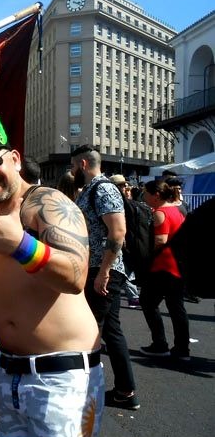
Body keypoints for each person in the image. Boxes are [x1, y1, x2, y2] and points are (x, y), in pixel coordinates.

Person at [0, 124, 103, 437]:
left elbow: (76, 276)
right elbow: (0, 293)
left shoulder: (47, 203)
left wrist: (21, 245)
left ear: (14, 158)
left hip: (60, 378)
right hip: (7, 375)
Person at [71, 145, 139, 411]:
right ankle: (125, 390)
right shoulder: (91, 189)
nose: (71, 171)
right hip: (96, 268)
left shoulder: (104, 188)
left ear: (84, 164)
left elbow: (117, 231)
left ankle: (103, 390)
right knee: (110, 330)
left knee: (93, 330)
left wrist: (104, 272)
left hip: (105, 271)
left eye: (73, 165)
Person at [138, 180, 190, 361]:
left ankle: (160, 344)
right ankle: (182, 348)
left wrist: (145, 256)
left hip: (163, 266)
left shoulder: (161, 213)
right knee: (177, 308)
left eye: (146, 193)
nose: (143, 197)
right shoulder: (177, 210)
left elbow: (160, 240)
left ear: (156, 195)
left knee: (147, 302)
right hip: (177, 265)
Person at [109, 174, 140, 309]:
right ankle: (133, 297)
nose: (125, 187)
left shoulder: (127, 201)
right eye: (121, 185)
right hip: (120, 243)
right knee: (124, 271)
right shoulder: (112, 201)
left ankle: (133, 297)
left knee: (125, 271)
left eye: (125, 185)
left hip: (128, 242)